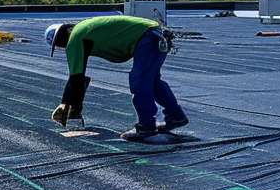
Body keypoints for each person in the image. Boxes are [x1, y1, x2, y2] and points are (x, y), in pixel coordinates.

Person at [46, 15, 187, 143]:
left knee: (139, 81)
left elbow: (76, 78)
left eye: (58, 45)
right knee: (153, 81)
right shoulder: (84, 29)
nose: (61, 48)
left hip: (146, 37)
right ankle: (175, 116)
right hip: (155, 33)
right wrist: (74, 105)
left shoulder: (74, 39)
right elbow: (78, 78)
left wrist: (67, 104)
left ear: (60, 39)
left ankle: (146, 127)